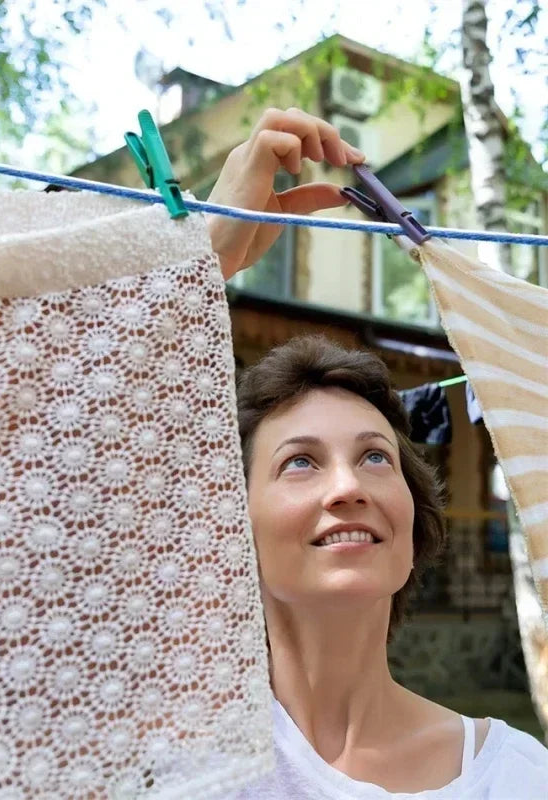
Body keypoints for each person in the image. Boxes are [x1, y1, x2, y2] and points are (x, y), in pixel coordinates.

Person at [203, 107, 548, 797]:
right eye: (300, 461)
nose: (348, 487)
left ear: (413, 519)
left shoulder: (520, 778)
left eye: (375, 457)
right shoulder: (170, 763)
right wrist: (204, 259)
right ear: (231, 524)